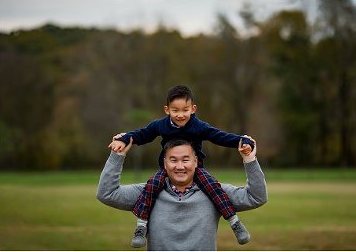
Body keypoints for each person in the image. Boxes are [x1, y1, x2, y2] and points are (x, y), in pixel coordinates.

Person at [107, 85, 255, 247]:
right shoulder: (161, 125)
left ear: (193, 109)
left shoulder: (199, 126)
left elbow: (219, 136)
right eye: (175, 110)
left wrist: (242, 141)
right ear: (167, 110)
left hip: (196, 170)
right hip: (167, 169)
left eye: (185, 110)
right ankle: (141, 226)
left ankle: (235, 222)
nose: (180, 115)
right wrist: (124, 139)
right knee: (151, 186)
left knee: (214, 187)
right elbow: (143, 134)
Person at [97, 137, 267, 250]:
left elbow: (256, 197)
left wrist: (249, 160)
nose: (180, 166)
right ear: (165, 163)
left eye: (185, 160)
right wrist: (117, 155)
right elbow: (107, 193)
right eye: (173, 160)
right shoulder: (147, 193)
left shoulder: (216, 192)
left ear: (195, 161)